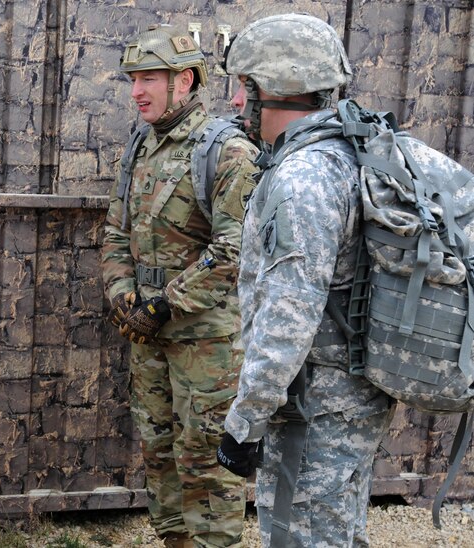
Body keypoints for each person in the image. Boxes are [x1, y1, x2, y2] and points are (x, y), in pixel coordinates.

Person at [215, 13, 394, 547]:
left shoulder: (303, 179)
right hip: (351, 398)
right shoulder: (348, 154)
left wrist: (244, 423)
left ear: (268, 89)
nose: (233, 102)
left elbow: (287, 318)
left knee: (305, 539)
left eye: (241, 87)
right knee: (336, 535)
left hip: (314, 410)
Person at [101, 24, 260, 548]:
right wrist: (123, 295)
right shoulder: (140, 147)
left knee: (205, 455)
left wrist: (163, 306)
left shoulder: (227, 151)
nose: (136, 91)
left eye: (149, 78)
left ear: (184, 80)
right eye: (133, 79)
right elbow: (116, 230)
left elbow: (233, 253)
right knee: (159, 448)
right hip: (148, 331)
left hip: (206, 341)